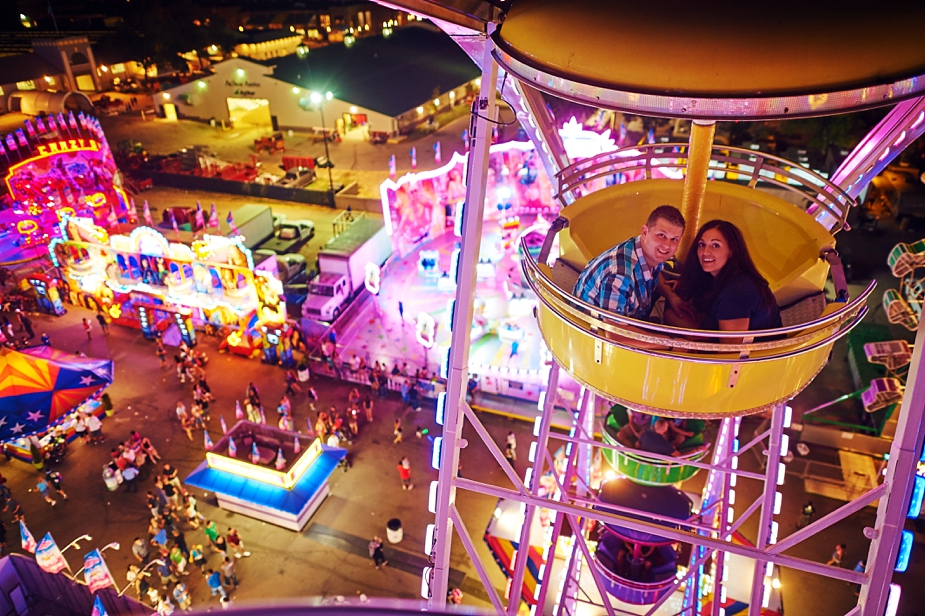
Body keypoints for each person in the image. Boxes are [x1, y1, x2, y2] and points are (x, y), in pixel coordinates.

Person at [574, 205, 686, 323]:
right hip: (593, 331)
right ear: (644, 232)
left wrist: (671, 296)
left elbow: (656, 273)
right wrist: (670, 341)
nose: (667, 245)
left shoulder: (646, 250)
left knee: (667, 271)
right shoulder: (619, 277)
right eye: (661, 235)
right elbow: (613, 333)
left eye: (674, 239)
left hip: (623, 319)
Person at [666, 220, 782, 333]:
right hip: (726, 344)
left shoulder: (738, 291)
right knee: (672, 314)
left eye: (715, 245)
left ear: (732, 251)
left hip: (753, 351)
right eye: (702, 245)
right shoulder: (716, 278)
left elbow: (730, 350)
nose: (705, 252)